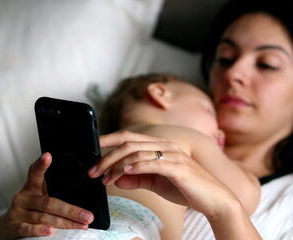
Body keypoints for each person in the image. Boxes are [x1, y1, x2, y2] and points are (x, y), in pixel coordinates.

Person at [0, 0, 293, 239]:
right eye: (225, 57)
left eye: (266, 64)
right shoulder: (93, 160)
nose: (234, 73)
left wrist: (225, 211)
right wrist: (11, 224)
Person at [89, 73, 260, 239]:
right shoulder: (184, 136)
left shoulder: (95, 147)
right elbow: (242, 195)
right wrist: (245, 169)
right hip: (125, 229)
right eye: (209, 111)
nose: (220, 132)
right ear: (160, 93)